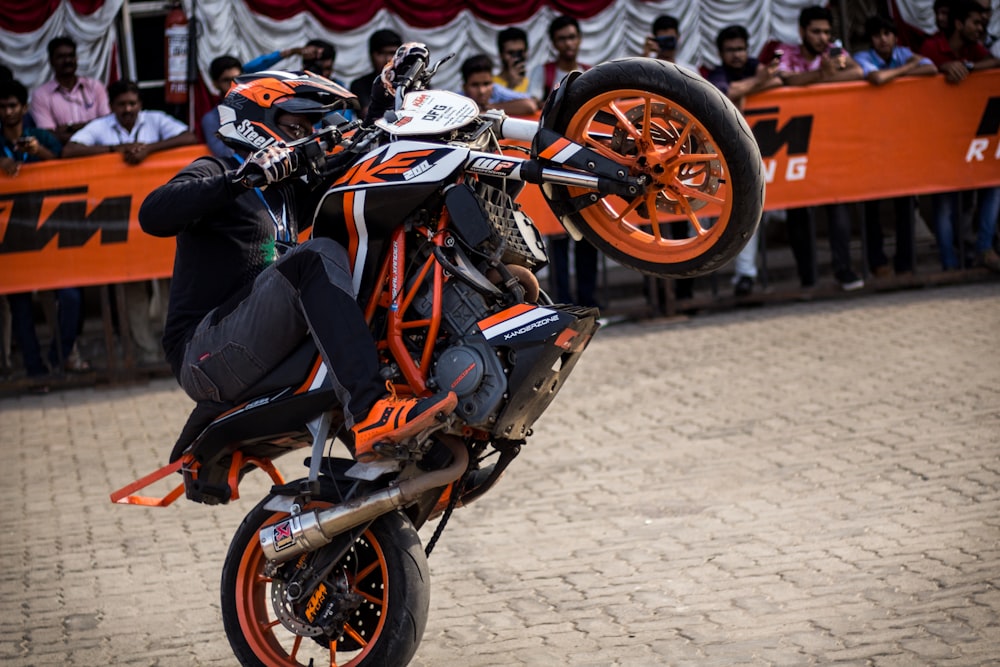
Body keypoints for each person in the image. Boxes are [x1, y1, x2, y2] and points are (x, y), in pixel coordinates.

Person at [138, 71, 457, 462]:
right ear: (258, 123)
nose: (305, 137)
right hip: (205, 354)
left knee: (364, 274)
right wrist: (239, 179)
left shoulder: (288, 190)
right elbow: (152, 215)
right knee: (316, 256)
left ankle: (427, 442)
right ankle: (370, 411)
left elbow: (359, 163)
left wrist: (382, 95)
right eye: (295, 127)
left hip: (253, 341)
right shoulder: (217, 170)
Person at [63, 79, 198, 363]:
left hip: (161, 217)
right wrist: (114, 153)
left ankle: (176, 349)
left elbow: (189, 137)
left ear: (140, 104)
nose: (128, 109)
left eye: (133, 103)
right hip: (120, 224)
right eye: (122, 104)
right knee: (132, 290)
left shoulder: (155, 120)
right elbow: (71, 150)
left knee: (170, 287)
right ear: (112, 107)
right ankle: (148, 354)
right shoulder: (101, 127)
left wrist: (151, 149)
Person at [1, 79, 86, 385]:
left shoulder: (40, 136)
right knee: (21, 306)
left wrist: (39, 153)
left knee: (71, 297)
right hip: (12, 237)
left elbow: (66, 166)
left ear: (24, 108)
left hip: (51, 230)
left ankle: (57, 357)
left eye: (13, 105)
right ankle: (36, 371)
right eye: (3, 106)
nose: (8, 111)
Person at [775, 6, 866, 292]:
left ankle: (844, 270)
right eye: (816, 31)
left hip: (830, 143)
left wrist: (823, 77)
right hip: (796, 145)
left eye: (826, 31)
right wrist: (822, 78)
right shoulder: (786, 53)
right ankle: (808, 278)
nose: (822, 37)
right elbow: (785, 80)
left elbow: (857, 72)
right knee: (798, 214)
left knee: (838, 210)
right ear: (802, 31)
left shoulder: (835, 52)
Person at [853, 15, 938, 278]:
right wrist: (906, 70)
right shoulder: (862, 57)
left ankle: (905, 264)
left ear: (895, 37)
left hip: (902, 143)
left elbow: (931, 68)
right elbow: (877, 78)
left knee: (906, 205)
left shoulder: (904, 53)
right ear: (871, 39)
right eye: (877, 35)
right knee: (872, 208)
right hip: (871, 143)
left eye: (887, 34)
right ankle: (877, 263)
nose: (883, 39)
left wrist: (902, 70)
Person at [919, 0, 1000, 271]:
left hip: (969, 137)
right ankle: (949, 264)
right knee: (943, 203)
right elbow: (921, 68)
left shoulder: (972, 49)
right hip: (937, 137)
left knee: (992, 184)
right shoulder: (932, 47)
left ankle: (984, 248)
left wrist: (970, 68)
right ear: (958, 23)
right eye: (976, 22)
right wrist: (941, 68)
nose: (981, 27)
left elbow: (993, 60)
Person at [705, 25, 783, 297]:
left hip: (767, 155)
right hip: (724, 159)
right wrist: (760, 81)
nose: (737, 55)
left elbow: (781, 81)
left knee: (756, 215)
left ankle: (747, 275)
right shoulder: (717, 73)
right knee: (725, 216)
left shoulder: (755, 66)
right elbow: (721, 93)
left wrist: (755, 83)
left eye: (741, 49)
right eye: (731, 50)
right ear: (721, 53)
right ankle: (726, 276)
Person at [527, 16, 598, 307]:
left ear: (579, 39)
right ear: (554, 44)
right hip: (552, 165)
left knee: (590, 232)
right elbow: (531, 106)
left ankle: (589, 302)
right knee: (557, 235)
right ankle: (564, 302)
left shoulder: (592, 72)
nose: (568, 43)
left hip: (583, 164)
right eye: (563, 39)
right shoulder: (540, 73)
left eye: (572, 37)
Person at [29, 36, 110, 146]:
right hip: (63, 156)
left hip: (99, 152)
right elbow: (49, 136)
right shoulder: (41, 95)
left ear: (76, 59)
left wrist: (69, 127)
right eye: (61, 57)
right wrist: (90, 128)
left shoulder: (95, 87)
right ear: (51, 61)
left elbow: (107, 124)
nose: (67, 60)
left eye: (71, 56)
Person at [460, 54, 537, 116]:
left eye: (486, 84)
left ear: (492, 83)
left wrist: (489, 108)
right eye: (475, 85)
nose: (482, 91)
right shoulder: (457, 99)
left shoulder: (496, 90)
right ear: (464, 87)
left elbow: (530, 105)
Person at [350, 29, 403, 118]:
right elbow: (368, 114)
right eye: (381, 53)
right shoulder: (360, 85)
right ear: (371, 55)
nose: (388, 59)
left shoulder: (413, 82)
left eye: (392, 53)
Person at [494, 27, 531, 96]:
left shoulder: (533, 80)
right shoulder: (491, 84)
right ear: (501, 55)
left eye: (520, 52)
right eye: (511, 53)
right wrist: (511, 85)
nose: (516, 57)